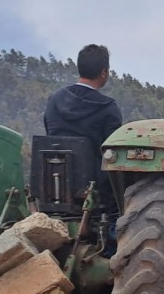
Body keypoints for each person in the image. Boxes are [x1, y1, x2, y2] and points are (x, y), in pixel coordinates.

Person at [43, 44, 123, 204]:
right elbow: (113, 154)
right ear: (104, 72)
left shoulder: (54, 100)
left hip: (53, 188)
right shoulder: (107, 108)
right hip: (97, 195)